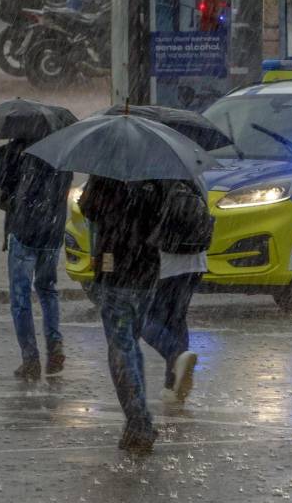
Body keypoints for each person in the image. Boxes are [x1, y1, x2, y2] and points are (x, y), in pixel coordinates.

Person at [79, 176, 164, 453]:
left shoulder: (107, 174)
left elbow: (89, 209)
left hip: (117, 272)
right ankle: (136, 423)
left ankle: (139, 423)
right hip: (147, 274)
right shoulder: (159, 174)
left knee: (121, 349)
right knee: (130, 345)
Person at [0, 139, 73, 381]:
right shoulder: (61, 153)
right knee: (47, 289)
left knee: (20, 296)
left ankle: (30, 358)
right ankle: (55, 343)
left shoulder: (14, 152)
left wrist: (4, 154)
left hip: (24, 231)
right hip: (52, 234)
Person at [141, 179, 212, 404]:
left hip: (165, 261)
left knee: (141, 318)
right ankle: (172, 385)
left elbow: (142, 222)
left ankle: (175, 357)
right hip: (196, 260)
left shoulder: (151, 180)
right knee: (177, 319)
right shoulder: (194, 176)